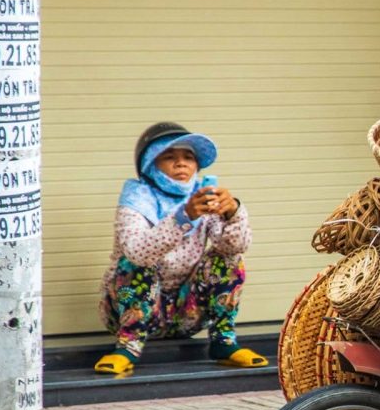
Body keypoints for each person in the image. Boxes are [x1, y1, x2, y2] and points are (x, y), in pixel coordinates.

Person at [94, 122, 268, 375]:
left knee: (228, 260)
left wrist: (233, 212)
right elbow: (138, 252)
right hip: (130, 315)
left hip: (187, 314)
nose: (181, 164)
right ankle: (127, 347)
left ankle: (223, 342)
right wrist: (183, 217)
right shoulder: (135, 199)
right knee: (133, 264)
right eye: (169, 157)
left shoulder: (203, 195)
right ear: (150, 165)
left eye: (189, 157)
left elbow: (235, 247)